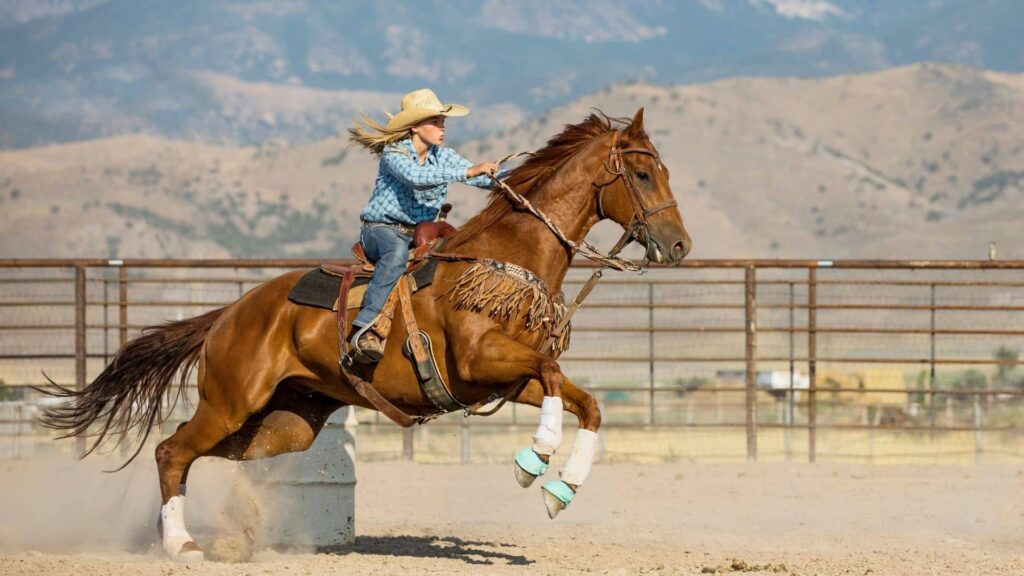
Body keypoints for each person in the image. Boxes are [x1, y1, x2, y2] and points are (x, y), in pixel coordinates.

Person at [346, 88, 500, 361]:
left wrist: (521, 175)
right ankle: (365, 328)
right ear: (415, 127)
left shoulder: (444, 156)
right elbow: (416, 177)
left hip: (421, 234)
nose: (443, 128)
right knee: (395, 256)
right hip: (381, 230)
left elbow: (480, 179)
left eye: (443, 122)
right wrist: (469, 170)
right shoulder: (394, 153)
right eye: (436, 122)